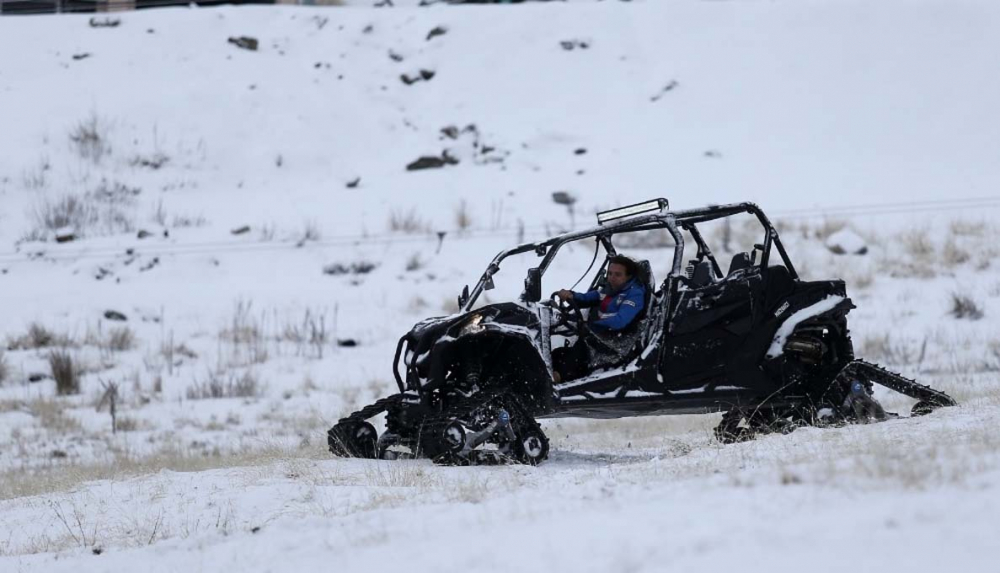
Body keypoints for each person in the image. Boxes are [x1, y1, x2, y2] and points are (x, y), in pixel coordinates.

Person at [552, 255, 647, 382]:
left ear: (628, 277)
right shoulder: (609, 289)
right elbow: (587, 298)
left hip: (616, 342)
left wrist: (591, 325)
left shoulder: (634, 294)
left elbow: (620, 321)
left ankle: (554, 384)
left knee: (573, 360)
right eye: (610, 273)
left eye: (618, 275)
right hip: (598, 336)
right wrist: (571, 295)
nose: (612, 278)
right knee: (558, 355)